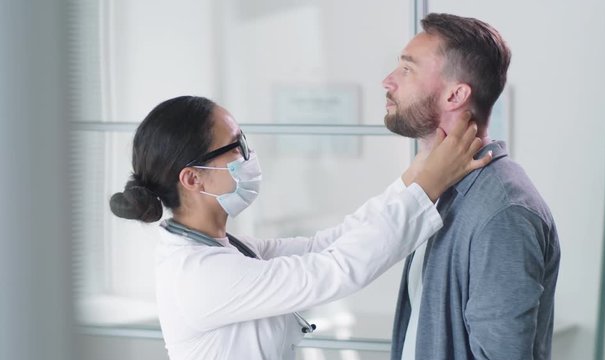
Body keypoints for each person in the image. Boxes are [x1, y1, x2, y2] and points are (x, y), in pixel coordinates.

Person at [109, 95, 491, 360]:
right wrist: (429, 187)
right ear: (193, 179)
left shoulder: (228, 249)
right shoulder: (200, 274)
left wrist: (418, 174)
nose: (248, 154)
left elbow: (329, 244)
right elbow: (336, 271)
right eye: (235, 146)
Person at [383, 13, 560, 360]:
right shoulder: (440, 192)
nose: (388, 81)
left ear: (455, 95)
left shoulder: (503, 213)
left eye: (407, 69)